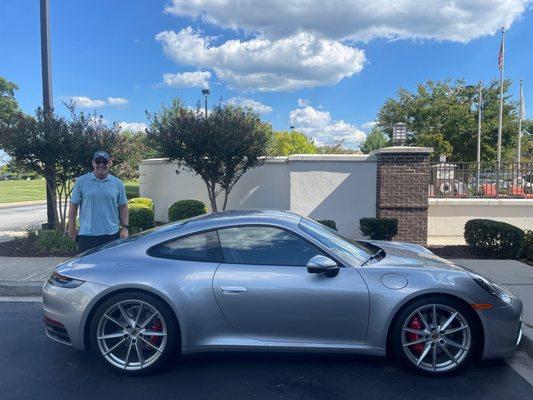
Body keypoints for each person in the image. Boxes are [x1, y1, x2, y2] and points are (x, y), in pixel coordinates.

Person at [68, 151, 129, 252]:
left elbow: (123, 206)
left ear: (109, 163)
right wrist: (72, 228)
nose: (101, 165)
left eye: (104, 162)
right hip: (87, 235)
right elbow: (73, 206)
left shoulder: (117, 183)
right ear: (93, 163)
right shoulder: (81, 181)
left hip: (111, 235)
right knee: (86, 267)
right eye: (98, 161)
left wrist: (125, 227)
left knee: (110, 267)